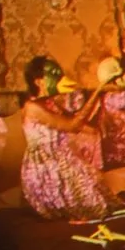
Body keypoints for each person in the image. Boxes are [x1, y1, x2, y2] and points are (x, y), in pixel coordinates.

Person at [15, 55, 108, 216]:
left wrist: (93, 129)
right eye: (53, 75)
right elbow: (71, 126)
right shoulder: (32, 107)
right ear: (38, 82)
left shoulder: (50, 103)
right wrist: (98, 91)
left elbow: (75, 122)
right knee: (84, 206)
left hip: (61, 157)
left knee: (96, 198)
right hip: (44, 165)